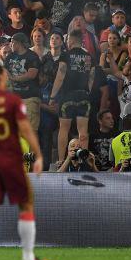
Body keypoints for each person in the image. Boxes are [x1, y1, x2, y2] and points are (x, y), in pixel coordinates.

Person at [0, 62, 49, 260]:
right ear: (0, 77)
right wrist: (39, 155)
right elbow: (25, 129)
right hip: (11, 159)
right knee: (25, 203)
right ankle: (28, 258)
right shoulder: (12, 101)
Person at [50, 31, 95, 164]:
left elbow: (61, 74)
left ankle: (60, 160)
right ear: (81, 41)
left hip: (68, 96)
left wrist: (52, 96)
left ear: (70, 40)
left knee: (64, 128)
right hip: (83, 96)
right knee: (83, 131)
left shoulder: (66, 55)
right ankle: (84, 160)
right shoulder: (89, 56)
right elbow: (92, 77)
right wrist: (88, 93)